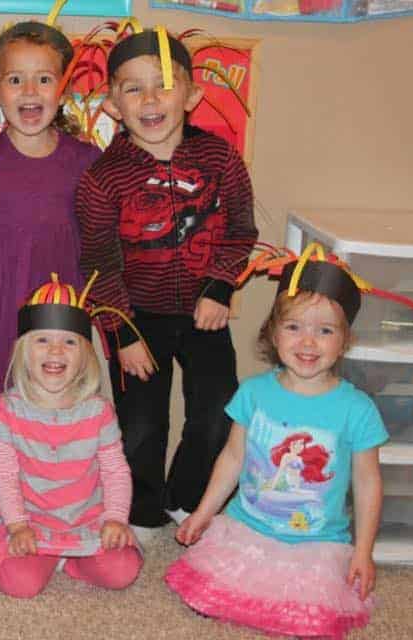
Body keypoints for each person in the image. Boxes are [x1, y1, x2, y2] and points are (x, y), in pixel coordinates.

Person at [75, 24, 257, 536]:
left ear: (192, 95)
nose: (149, 98)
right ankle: (143, 510)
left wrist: (220, 285)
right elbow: (97, 262)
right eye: (133, 88)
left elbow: (241, 231)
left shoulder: (221, 159)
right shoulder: (103, 178)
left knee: (217, 411)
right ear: (113, 104)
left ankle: (189, 496)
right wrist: (122, 333)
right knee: (140, 424)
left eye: (163, 85)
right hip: (135, 318)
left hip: (204, 313)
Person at [165, 252, 388, 638]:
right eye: (294, 327)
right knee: (206, 595)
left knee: (312, 621)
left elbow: (368, 484)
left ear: (344, 341)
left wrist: (364, 551)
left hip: (317, 541)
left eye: (325, 331)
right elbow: (233, 457)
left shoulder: (358, 409)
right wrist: (203, 513)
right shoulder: (254, 393)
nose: (307, 342)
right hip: (247, 528)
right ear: (273, 332)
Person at [0, 18, 102, 480]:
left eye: (43, 79)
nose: (29, 91)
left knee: (64, 405)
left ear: (62, 88)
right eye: (15, 79)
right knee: (0, 411)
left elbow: (102, 233)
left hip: (62, 307)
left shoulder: (85, 160)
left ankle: (57, 502)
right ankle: (6, 505)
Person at [0, 275, 143, 598]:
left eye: (70, 342)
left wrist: (115, 519)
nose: (56, 350)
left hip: (86, 518)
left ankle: (68, 559)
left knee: (123, 572)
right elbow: (3, 476)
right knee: (21, 585)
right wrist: (17, 526)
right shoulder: (6, 410)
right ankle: (47, 556)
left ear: (86, 355)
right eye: (42, 340)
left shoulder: (99, 411)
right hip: (27, 517)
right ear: (23, 351)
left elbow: (116, 471)